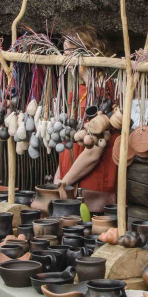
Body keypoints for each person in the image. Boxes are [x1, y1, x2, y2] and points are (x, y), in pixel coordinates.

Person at [54, 26, 119, 207]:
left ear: (86, 53)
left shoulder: (103, 92)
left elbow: (93, 152)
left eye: (69, 53)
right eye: (64, 53)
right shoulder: (80, 90)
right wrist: (58, 177)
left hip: (90, 186)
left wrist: (63, 182)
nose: (65, 59)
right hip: (69, 182)